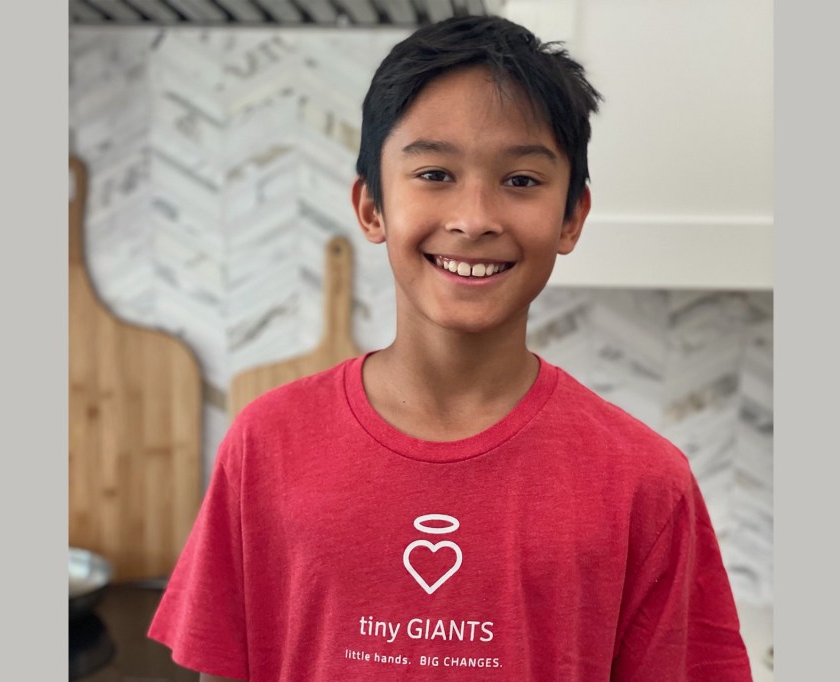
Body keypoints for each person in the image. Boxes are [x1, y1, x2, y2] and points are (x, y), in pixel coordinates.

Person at [148, 14, 752, 682]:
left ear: (572, 217)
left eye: (520, 180)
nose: (474, 219)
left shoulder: (646, 485)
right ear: (371, 207)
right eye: (434, 174)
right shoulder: (266, 444)